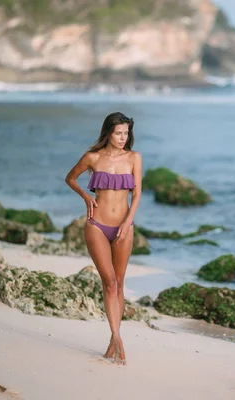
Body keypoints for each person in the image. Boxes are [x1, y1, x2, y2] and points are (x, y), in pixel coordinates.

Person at [65, 112, 142, 365]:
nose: (123, 138)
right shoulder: (92, 158)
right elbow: (71, 178)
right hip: (96, 225)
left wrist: (128, 221)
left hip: (123, 228)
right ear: (108, 132)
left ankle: (112, 338)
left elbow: (137, 194)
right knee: (108, 282)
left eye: (126, 133)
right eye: (118, 133)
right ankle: (118, 338)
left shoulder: (134, 158)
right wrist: (86, 197)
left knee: (119, 283)